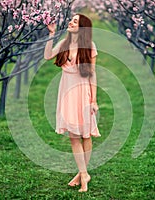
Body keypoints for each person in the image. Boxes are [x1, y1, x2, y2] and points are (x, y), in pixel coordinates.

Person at [44, 14, 100, 192]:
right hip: (66, 93)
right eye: (71, 20)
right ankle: (84, 174)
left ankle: (82, 174)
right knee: (73, 136)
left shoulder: (89, 47)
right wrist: (51, 34)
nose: (70, 22)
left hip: (82, 92)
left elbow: (92, 74)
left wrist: (93, 100)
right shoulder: (64, 43)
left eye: (75, 21)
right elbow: (47, 56)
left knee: (86, 135)